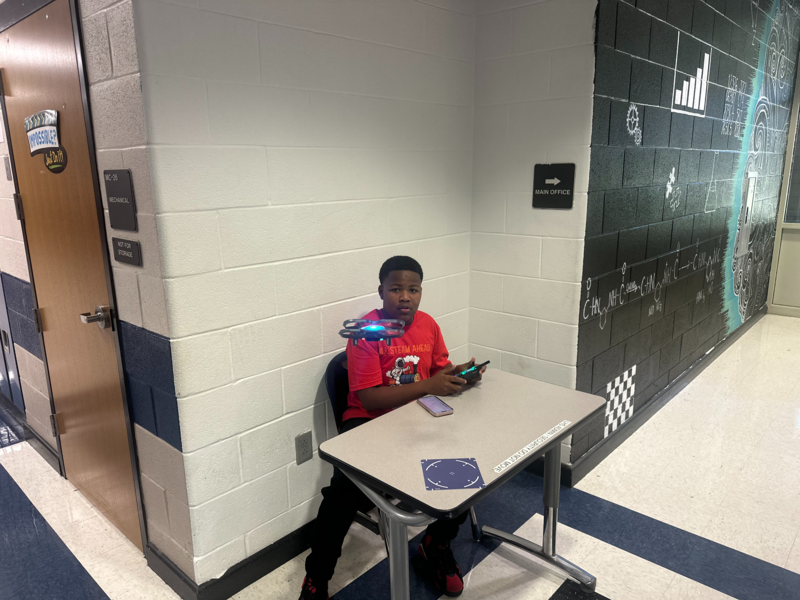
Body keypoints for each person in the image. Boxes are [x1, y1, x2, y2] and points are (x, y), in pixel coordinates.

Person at [299, 255, 486, 600]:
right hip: (367, 420)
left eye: (413, 290)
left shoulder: (428, 325)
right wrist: (428, 386)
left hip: (415, 414)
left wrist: (459, 375)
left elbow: (436, 373)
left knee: (463, 469)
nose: (405, 297)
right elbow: (370, 399)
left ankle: (436, 544)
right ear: (381, 291)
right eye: (396, 289)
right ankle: (316, 576)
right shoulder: (366, 332)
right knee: (343, 494)